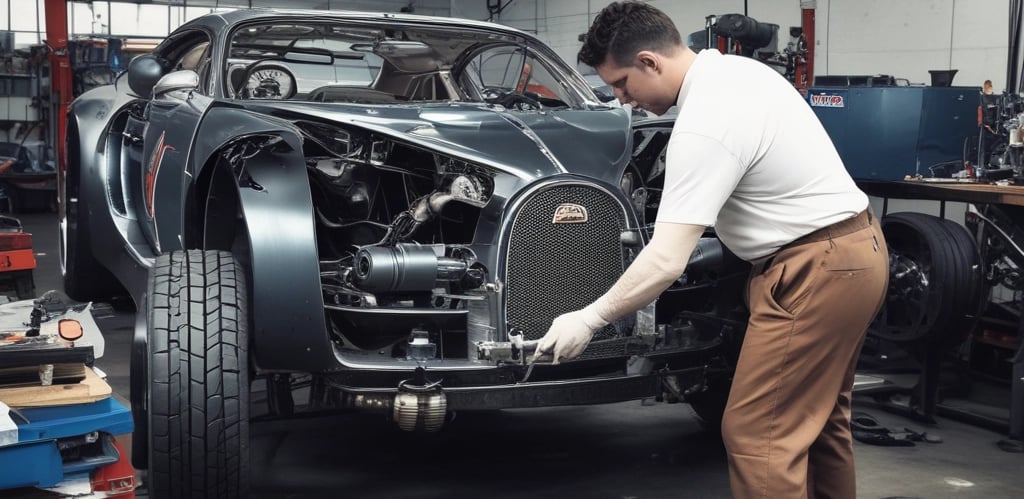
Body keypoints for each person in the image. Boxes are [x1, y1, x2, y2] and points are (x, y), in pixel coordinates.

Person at [532, 2, 889, 498]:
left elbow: (664, 260)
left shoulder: (704, 121)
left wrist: (587, 318)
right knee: (821, 422)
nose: (622, 101)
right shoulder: (737, 71)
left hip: (815, 269)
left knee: (757, 434)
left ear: (650, 61)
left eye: (622, 84)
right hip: (857, 252)